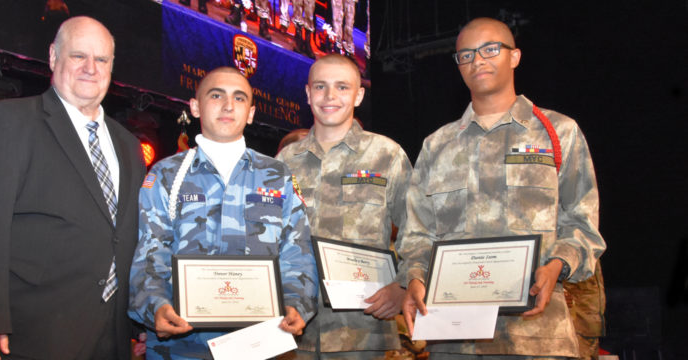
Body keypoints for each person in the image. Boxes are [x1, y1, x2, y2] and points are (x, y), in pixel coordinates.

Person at [398, 17, 606, 359]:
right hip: (454, 337)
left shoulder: (558, 132)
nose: (477, 60)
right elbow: (417, 234)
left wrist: (558, 264)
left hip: (537, 336)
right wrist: (416, 276)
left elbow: (583, 223)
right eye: (465, 55)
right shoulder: (437, 145)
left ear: (515, 56)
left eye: (490, 49)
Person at [0, 16, 145, 360]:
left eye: (101, 60)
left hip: (110, 334)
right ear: (54, 57)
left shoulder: (129, 144)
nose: (91, 68)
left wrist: (137, 321)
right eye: (78, 56)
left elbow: (125, 235)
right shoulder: (12, 121)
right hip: (27, 331)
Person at [128, 67, 318, 359]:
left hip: (261, 343)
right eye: (216, 95)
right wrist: (155, 306)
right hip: (181, 346)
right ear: (195, 106)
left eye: (239, 98)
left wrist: (297, 303)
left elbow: (297, 251)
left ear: (251, 113)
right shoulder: (166, 174)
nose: (229, 106)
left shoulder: (276, 175)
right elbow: (149, 251)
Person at [276, 54, 413, 359]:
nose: (330, 96)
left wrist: (403, 285)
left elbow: (417, 230)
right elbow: (267, 238)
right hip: (295, 330)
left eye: (342, 87)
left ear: (359, 95)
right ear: (308, 93)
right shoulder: (284, 162)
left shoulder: (387, 155)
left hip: (363, 328)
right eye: (321, 87)